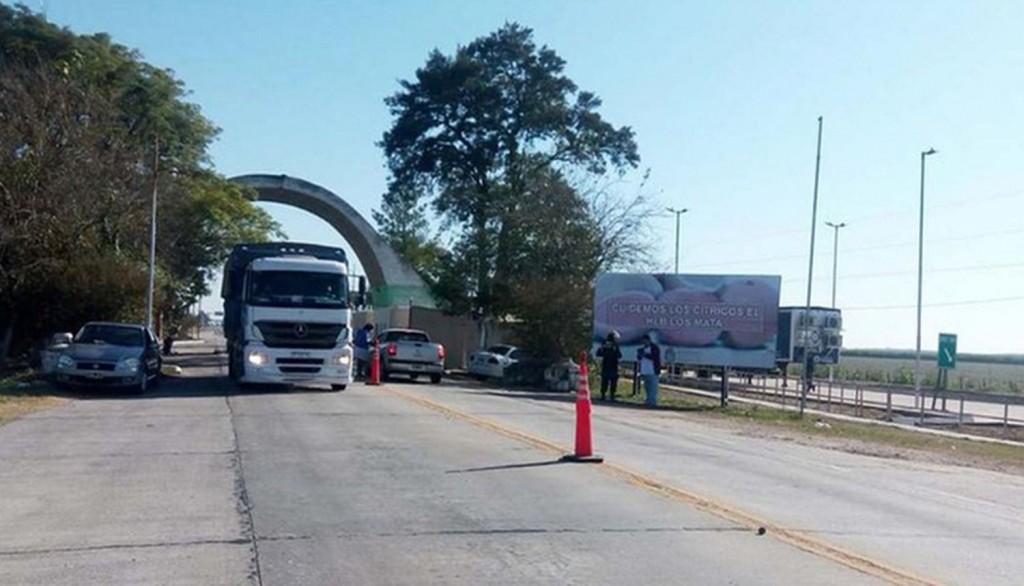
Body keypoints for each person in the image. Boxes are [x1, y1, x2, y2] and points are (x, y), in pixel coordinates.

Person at [596, 331, 622, 401]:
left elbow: (619, 355)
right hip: (606, 366)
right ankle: (603, 395)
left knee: (613, 382)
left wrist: (615, 349)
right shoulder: (604, 344)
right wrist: (602, 347)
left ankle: (612, 395)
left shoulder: (615, 346)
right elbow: (598, 354)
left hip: (614, 366)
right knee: (605, 381)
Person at [636, 334, 662, 407]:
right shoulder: (642, 349)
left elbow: (655, 357)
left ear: (649, 340)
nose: (644, 343)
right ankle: (648, 401)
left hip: (653, 371)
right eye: (643, 342)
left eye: (645, 341)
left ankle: (653, 402)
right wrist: (639, 355)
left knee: (653, 388)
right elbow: (638, 359)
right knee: (647, 388)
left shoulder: (654, 348)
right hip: (644, 371)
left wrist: (645, 355)